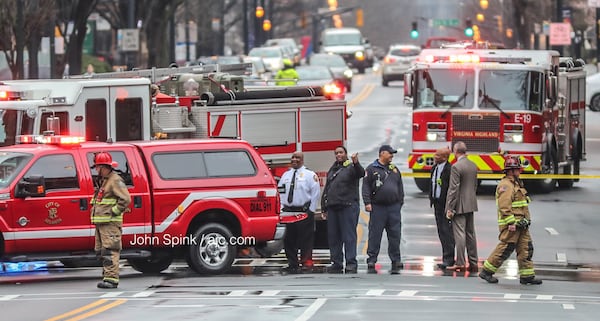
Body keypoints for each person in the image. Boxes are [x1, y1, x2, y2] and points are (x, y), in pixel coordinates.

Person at [479, 156, 543, 285]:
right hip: (512, 225)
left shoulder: (516, 184)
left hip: (521, 224)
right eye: (518, 169)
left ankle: (527, 276)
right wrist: (511, 222)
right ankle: (486, 271)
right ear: (510, 171)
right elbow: (504, 206)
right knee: (505, 248)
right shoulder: (506, 186)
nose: (520, 171)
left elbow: (522, 204)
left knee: (526, 248)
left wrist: (526, 220)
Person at [362, 144, 405, 274]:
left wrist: (399, 203)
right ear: (382, 154)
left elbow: (400, 187)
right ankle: (372, 259)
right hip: (378, 207)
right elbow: (365, 187)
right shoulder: (371, 169)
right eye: (390, 153)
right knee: (375, 234)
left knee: (395, 235)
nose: (392, 156)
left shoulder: (394, 169)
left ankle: (396, 259)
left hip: (393, 208)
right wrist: (367, 202)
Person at [321, 146, 365, 274]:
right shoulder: (333, 168)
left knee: (349, 236)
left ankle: (351, 263)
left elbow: (360, 173)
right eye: (336, 153)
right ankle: (337, 263)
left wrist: (356, 162)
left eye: (341, 152)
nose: (338, 155)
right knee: (334, 237)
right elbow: (328, 188)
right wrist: (324, 206)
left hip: (348, 206)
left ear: (345, 154)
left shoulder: (351, 168)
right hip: (333, 207)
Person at [91, 152, 131, 289]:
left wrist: (113, 212)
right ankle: (107, 275)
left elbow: (125, 199)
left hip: (110, 223)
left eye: (97, 167)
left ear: (104, 166)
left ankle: (111, 279)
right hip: (102, 223)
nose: (96, 170)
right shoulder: (105, 181)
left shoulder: (115, 180)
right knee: (101, 250)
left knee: (110, 250)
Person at [278, 151, 320, 274]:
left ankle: (306, 262)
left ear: (302, 160)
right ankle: (292, 263)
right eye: (293, 157)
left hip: (303, 212)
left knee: (305, 239)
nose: (295, 160)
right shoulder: (285, 175)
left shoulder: (309, 175)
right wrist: (281, 209)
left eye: (298, 158)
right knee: (289, 239)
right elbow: (280, 192)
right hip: (288, 212)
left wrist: (311, 210)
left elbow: (315, 193)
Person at [445, 141, 479, 272]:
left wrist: (450, 207)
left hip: (459, 204)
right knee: (471, 233)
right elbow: (475, 186)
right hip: (471, 203)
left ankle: (460, 262)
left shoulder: (456, 167)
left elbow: (453, 189)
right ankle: (474, 261)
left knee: (459, 234)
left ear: (455, 151)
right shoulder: (473, 165)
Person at [429, 147, 455, 269]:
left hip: (445, 204)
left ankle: (449, 258)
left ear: (444, 157)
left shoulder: (449, 170)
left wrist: (450, 206)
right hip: (437, 203)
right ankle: (445, 257)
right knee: (441, 231)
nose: (435, 156)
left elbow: (451, 188)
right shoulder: (434, 168)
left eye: (438, 155)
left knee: (447, 232)